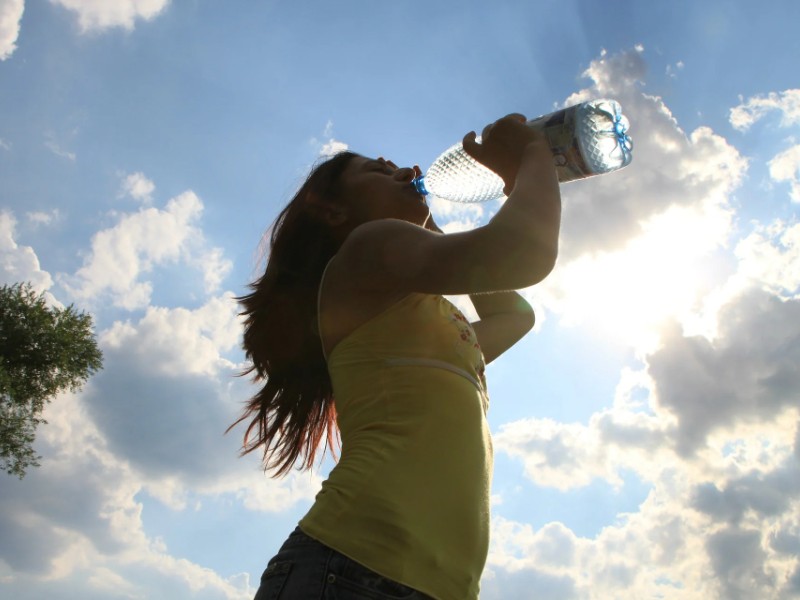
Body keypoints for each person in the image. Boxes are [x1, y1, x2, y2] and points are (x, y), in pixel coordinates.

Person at [230, 114, 562, 600]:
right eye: (378, 172)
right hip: (353, 567)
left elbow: (516, 314)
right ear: (333, 212)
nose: (404, 170)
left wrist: (435, 220)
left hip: (421, 584)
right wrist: (534, 154)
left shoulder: (426, 323)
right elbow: (521, 254)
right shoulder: (367, 248)